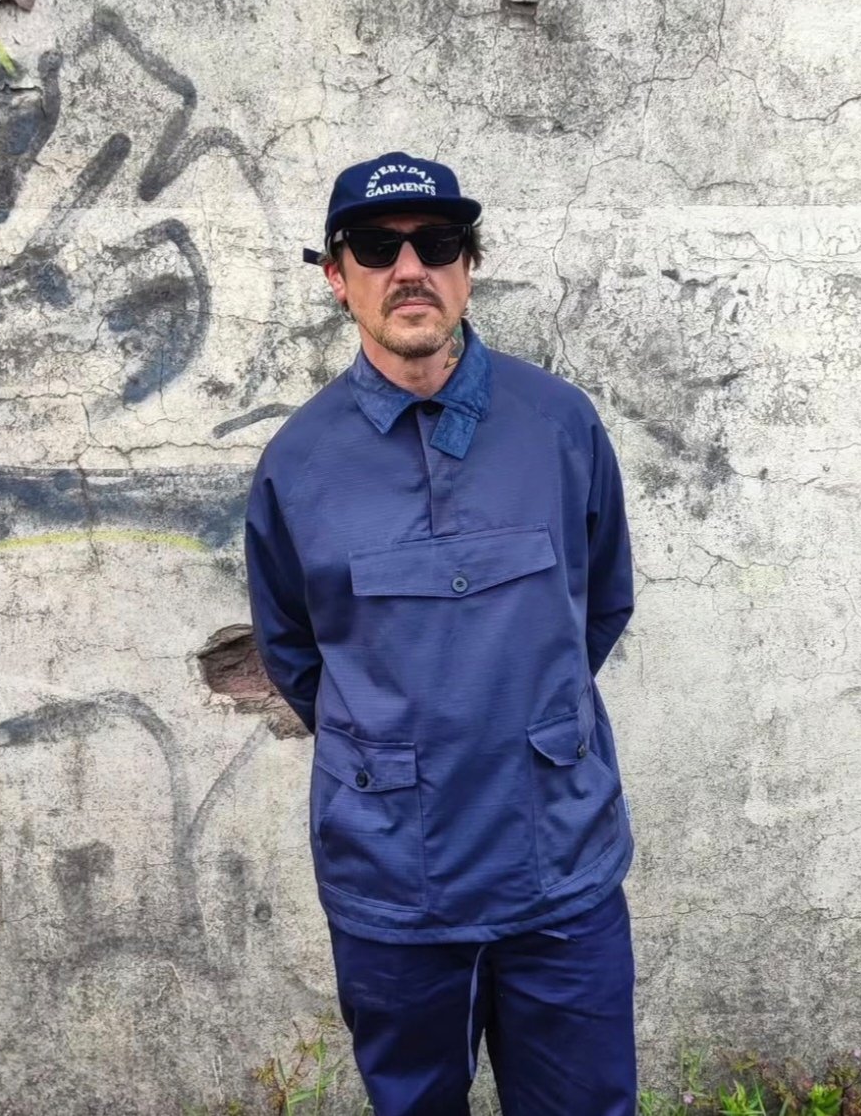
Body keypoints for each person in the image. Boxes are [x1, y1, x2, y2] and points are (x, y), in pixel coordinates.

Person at [244, 151, 636, 1116]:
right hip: (392, 881)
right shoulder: (297, 464)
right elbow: (294, 651)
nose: (409, 268)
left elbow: (600, 601)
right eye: (377, 247)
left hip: (558, 862)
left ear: (470, 265)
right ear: (337, 277)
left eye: (438, 242)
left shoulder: (559, 425)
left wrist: (529, 723)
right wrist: (392, 755)